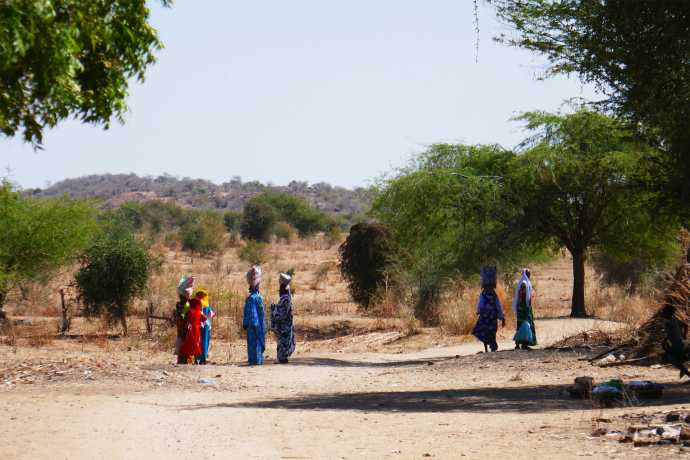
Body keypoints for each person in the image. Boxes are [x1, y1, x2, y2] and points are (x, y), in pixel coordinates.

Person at [270, 273, 296, 363]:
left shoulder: (285, 299)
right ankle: (282, 358)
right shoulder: (287, 298)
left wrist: (273, 309)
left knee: (283, 342)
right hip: (286, 326)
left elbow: (281, 314)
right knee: (283, 342)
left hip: (284, 326)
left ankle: (282, 359)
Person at [243, 266, 266, 365]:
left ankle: (254, 360)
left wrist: (246, 323)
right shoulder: (255, 297)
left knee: (253, 343)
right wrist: (256, 324)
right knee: (256, 343)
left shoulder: (251, 298)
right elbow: (254, 315)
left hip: (252, 326)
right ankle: (256, 360)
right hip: (256, 326)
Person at [660, 305, 690, 381]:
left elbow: (670, 334)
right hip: (681, 342)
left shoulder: (668, 322)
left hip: (677, 344)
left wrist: (665, 340)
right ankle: (684, 369)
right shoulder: (675, 320)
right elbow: (685, 325)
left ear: (669, 313)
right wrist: (684, 336)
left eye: (664, 312)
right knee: (677, 358)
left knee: (671, 359)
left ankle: (686, 372)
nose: (662, 313)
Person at [178, 298, 207, 364]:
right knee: (196, 343)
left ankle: (188, 359)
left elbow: (184, 317)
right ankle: (196, 360)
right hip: (197, 329)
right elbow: (204, 318)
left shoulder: (190, 311)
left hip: (190, 329)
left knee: (189, 343)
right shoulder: (199, 312)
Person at [175, 275, 195, 364]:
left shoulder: (179, 304)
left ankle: (182, 360)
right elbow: (184, 316)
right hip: (185, 328)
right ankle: (185, 361)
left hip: (181, 328)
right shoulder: (186, 305)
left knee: (181, 343)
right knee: (185, 343)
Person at [513, 280, 537, 350]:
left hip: (521, 315)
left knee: (520, 329)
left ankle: (519, 344)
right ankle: (523, 344)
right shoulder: (525, 298)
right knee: (525, 329)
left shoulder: (520, 298)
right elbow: (527, 307)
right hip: (524, 315)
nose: (523, 291)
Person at [194, 289, 215, 365]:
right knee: (205, 341)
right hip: (206, 325)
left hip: (198, 325)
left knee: (198, 341)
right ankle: (203, 358)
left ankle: (198, 358)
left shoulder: (197, 303)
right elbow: (212, 314)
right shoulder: (206, 304)